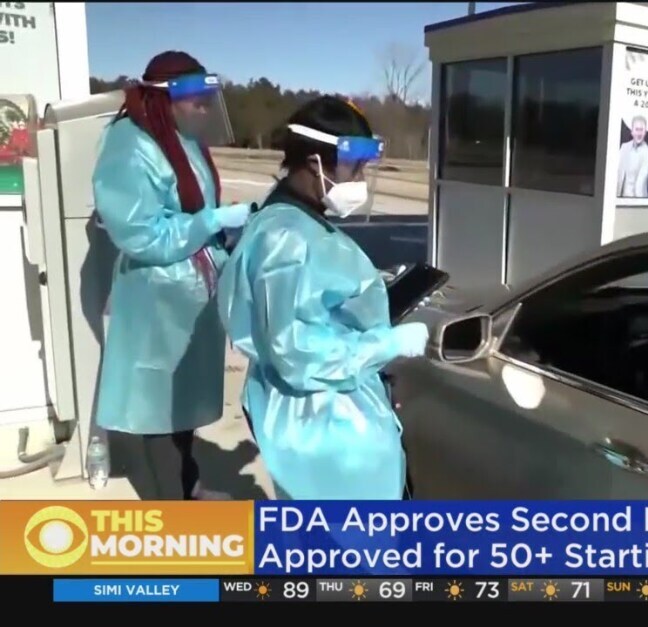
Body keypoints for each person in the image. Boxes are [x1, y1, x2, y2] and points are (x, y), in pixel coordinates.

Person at [217, 96, 429, 500]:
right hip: (323, 427)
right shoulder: (287, 240)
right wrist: (385, 344)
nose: (360, 180)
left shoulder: (295, 220)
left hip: (326, 411)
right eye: (354, 168)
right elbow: (294, 349)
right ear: (315, 162)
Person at [91, 51, 251, 500]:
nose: (204, 106)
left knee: (181, 405)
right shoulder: (131, 143)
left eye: (208, 96)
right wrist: (209, 221)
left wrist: (224, 228)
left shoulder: (183, 138)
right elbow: (140, 234)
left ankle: (188, 486)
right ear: (164, 97)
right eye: (195, 96)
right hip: (155, 298)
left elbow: (192, 206)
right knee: (158, 411)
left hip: (191, 295)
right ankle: (170, 513)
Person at [617, 115, 648, 197]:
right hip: (620, 199)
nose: (639, 133)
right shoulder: (624, 148)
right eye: (637, 129)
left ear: (645, 132)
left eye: (641, 130)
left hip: (638, 201)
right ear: (632, 131)